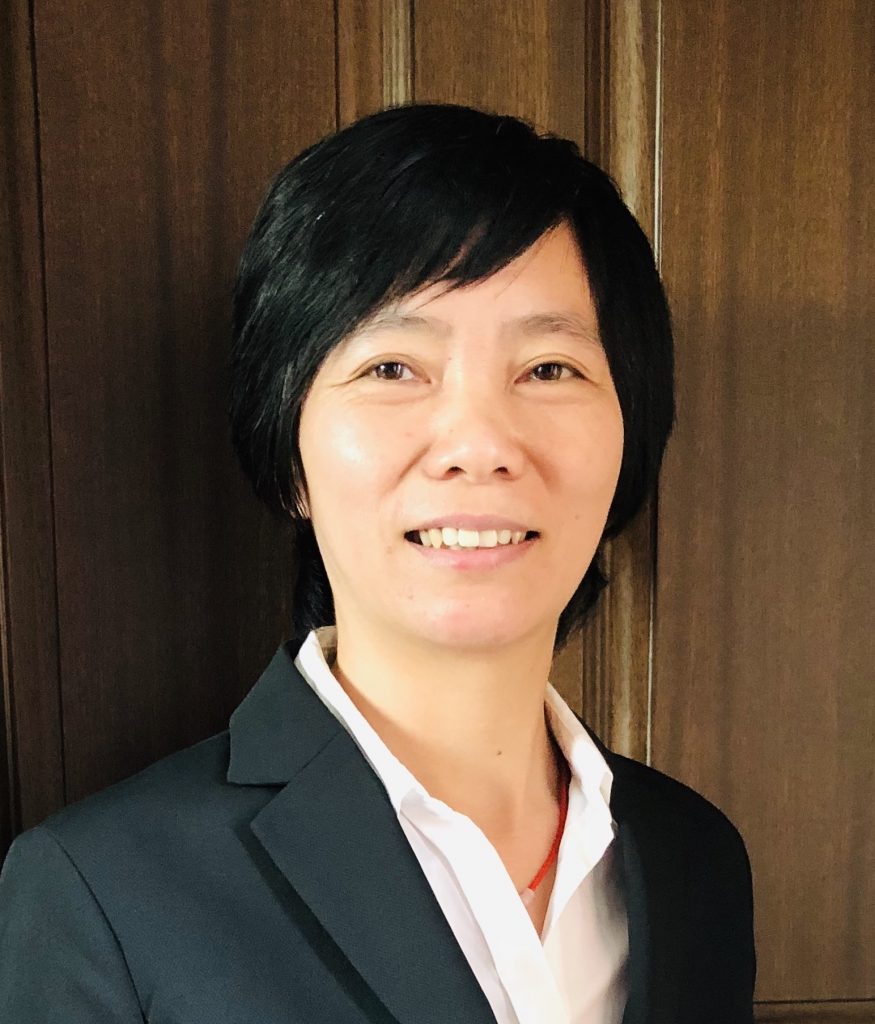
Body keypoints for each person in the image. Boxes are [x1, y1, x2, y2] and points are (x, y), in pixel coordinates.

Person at [0, 103, 755, 1023]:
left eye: (549, 369)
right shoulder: (102, 892)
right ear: (288, 456)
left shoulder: (694, 860)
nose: (479, 446)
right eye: (392, 368)